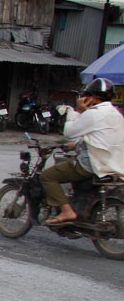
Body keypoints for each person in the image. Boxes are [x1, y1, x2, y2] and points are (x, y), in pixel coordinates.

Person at [40, 78, 124, 225]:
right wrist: (76, 145)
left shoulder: (93, 114)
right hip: (114, 165)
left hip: (92, 164)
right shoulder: (116, 114)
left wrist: (78, 111)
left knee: (48, 176)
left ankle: (66, 211)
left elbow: (69, 132)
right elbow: (99, 138)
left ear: (92, 97)